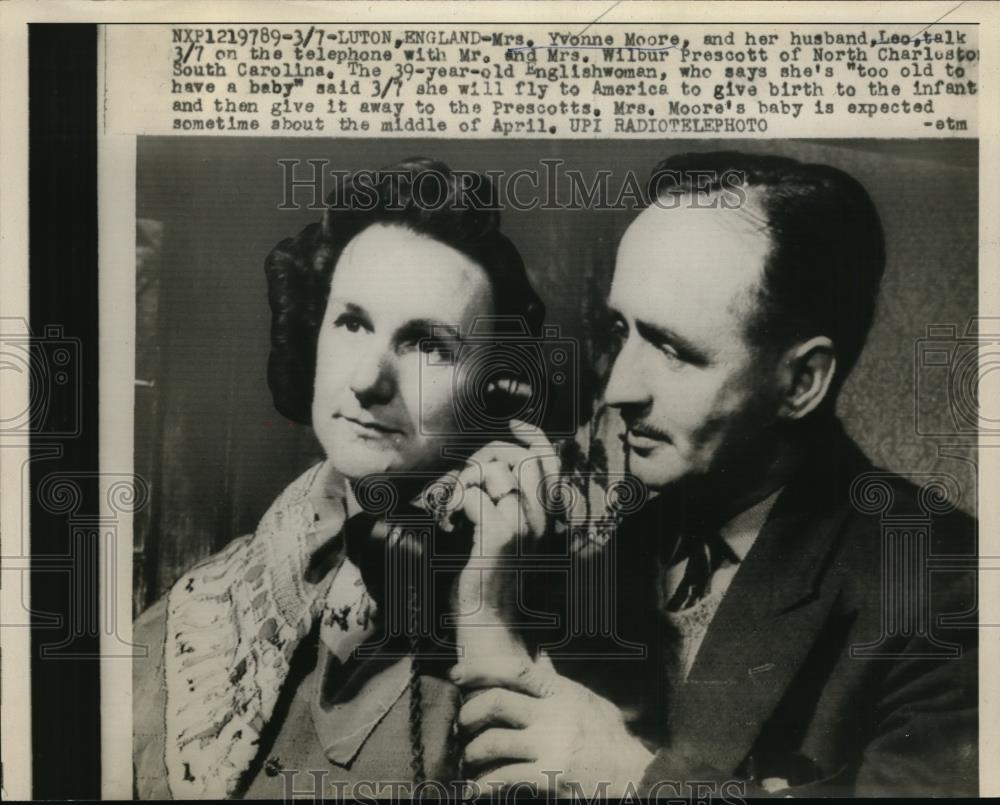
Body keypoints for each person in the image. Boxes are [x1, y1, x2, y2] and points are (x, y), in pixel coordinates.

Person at [451, 152, 978, 797]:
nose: (619, 388)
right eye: (623, 330)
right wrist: (490, 608)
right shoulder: (594, 545)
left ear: (801, 381)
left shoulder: (946, 587)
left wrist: (633, 781)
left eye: (674, 351)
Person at [132, 157, 552, 799]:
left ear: (493, 385)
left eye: (427, 345)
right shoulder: (199, 612)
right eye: (352, 323)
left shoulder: (559, 616)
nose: (366, 380)